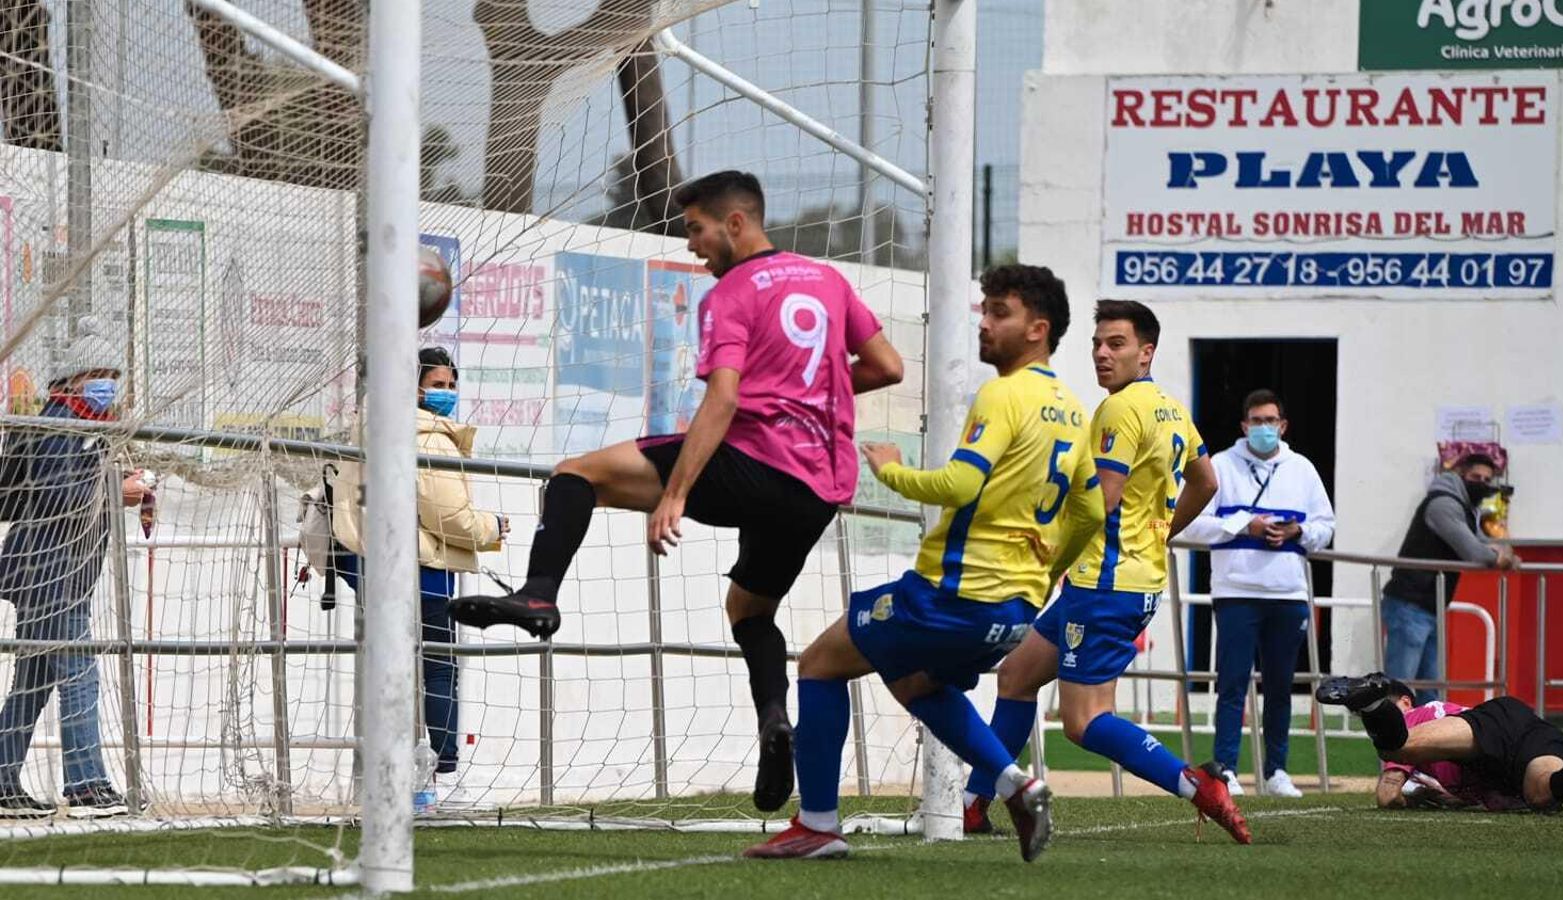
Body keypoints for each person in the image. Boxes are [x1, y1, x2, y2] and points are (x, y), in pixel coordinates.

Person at [448, 171, 904, 812]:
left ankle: (538, 596)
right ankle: (775, 721)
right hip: (820, 489)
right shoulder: (827, 280)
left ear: (736, 224)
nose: (693, 247)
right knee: (750, 612)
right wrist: (808, 399)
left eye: (696, 230)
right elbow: (888, 366)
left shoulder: (731, 295)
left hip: (754, 464)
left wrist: (675, 494)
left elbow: (722, 397)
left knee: (576, 473)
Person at [744, 265, 1098, 862]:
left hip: (950, 593)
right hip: (1011, 608)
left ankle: (818, 824)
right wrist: (1042, 576)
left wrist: (890, 469)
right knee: (914, 681)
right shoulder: (1071, 406)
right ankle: (1014, 783)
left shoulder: (1004, 393)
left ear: (1038, 329)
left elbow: (961, 482)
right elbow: (1089, 511)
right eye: (984, 309)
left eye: (1000, 313)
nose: (984, 323)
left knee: (820, 664)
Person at [963, 300, 1251, 844]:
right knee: (1016, 677)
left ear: (1147, 352)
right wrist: (1163, 532)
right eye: (1097, 343)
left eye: (1115, 343)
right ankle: (973, 804)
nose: (1101, 353)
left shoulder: (1119, 411)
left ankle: (1197, 783)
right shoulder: (1168, 405)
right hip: (1116, 583)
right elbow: (1206, 481)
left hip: (1104, 586)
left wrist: (1041, 551)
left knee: (1084, 722)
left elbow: (1101, 499)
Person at [330, 346, 509, 807]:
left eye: (451, 386)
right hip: (421, 571)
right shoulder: (427, 436)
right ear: (413, 388)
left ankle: (388, 773)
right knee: (438, 668)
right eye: (438, 385)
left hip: (369, 563)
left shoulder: (369, 426)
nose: (447, 394)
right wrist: (492, 527)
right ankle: (439, 776)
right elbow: (449, 516)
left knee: (389, 666)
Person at [0, 322, 151, 818]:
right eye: (96, 375)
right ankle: (85, 785)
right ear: (69, 382)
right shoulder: (62, 425)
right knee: (81, 675)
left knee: (35, 680)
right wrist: (117, 488)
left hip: (56, 575)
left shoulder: (84, 428)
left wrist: (123, 488)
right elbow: (61, 496)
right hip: (49, 576)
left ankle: (2, 780)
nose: (106, 384)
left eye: (111, 375)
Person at [1177, 388, 1335, 798]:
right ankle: (1226, 768)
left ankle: (1276, 770)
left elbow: (1326, 525)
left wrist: (1299, 531)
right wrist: (1241, 526)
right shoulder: (1221, 467)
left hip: (1287, 593)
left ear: (1283, 425)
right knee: (1231, 684)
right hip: (1236, 592)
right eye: (1256, 421)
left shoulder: (1302, 469)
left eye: (1271, 421)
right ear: (1243, 426)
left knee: (1280, 687)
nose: (1263, 429)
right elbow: (1191, 523)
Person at [1316, 673, 1563, 812]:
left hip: (1491, 728)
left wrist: (1410, 800)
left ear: (1405, 702)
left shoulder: (1415, 716)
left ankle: (1372, 703)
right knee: (1546, 792)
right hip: (1532, 738)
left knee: (1395, 747)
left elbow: (1387, 794)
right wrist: (1443, 798)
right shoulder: (1435, 766)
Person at [1381, 453, 1516, 703]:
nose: (1482, 484)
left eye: (1487, 480)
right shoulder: (1444, 505)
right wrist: (1501, 557)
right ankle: (1391, 741)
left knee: (1430, 691)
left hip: (1429, 606)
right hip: (1410, 604)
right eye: (1476, 477)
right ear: (1460, 475)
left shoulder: (1465, 509)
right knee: (1400, 690)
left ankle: (1426, 742)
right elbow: (1475, 551)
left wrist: (1502, 543)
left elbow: (1490, 548)